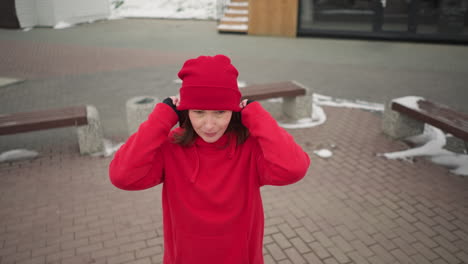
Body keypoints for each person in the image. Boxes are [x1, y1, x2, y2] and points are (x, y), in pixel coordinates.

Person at [109, 54, 310, 264]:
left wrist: (255, 114)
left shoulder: (250, 147)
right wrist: (163, 116)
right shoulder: (171, 146)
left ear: (235, 111)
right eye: (199, 112)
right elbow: (122, 176)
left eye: (220, 112)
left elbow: (294, 168)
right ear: (185, 111)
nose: (209, 125)